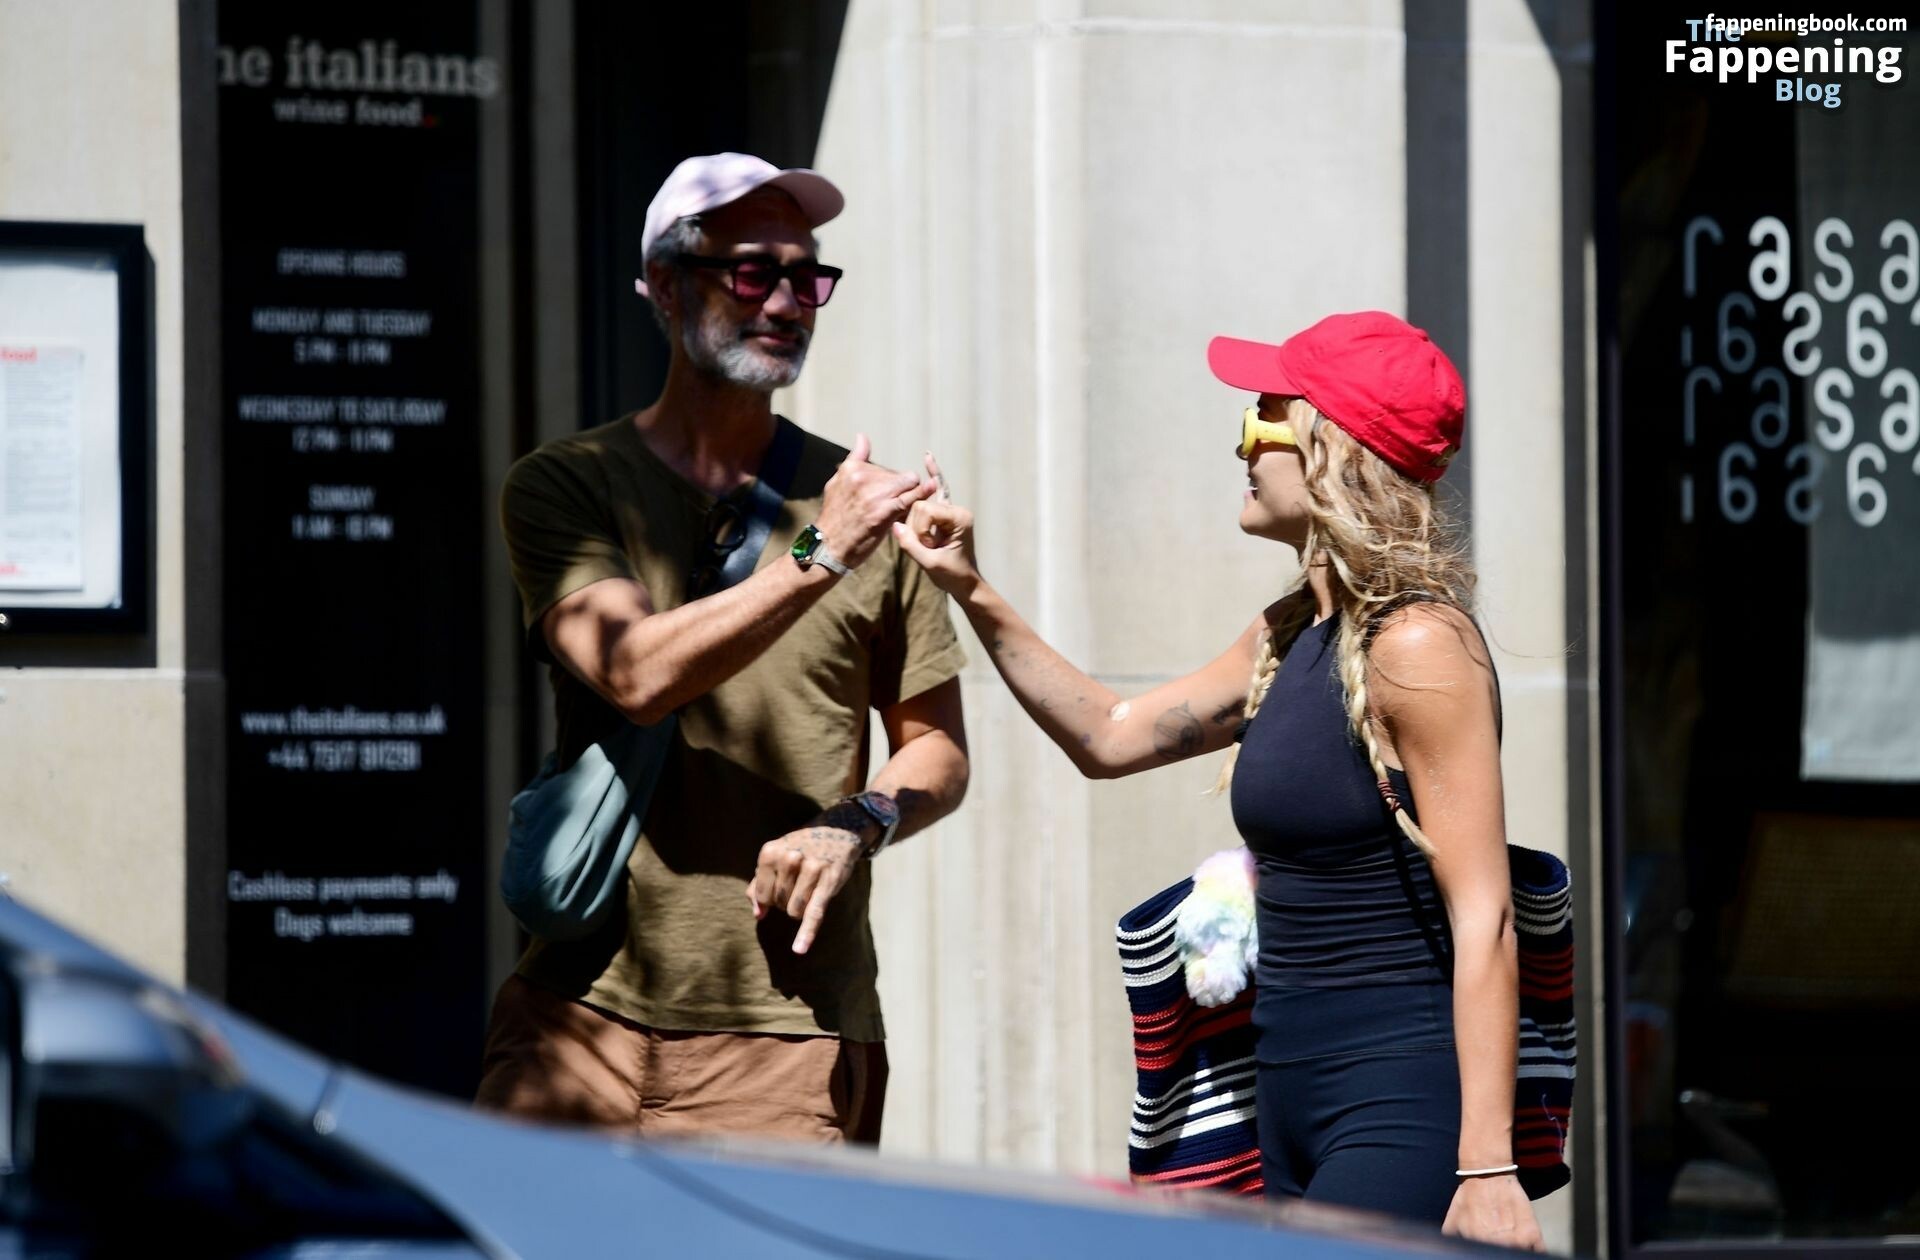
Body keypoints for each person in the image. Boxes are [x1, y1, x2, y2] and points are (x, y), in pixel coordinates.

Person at [892, 311, 1546, 1249]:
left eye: (1263, 415)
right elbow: (1109, 736)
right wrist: (971, 586)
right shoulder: (1289, 633)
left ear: (1331, 444)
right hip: (1284, 1097)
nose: (1242, 441)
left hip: (1399, 1099)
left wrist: (1487, 1166)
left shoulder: (1417, 644)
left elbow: (1486, 914)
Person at [476, 153, 971, 1146]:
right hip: (579, 1014)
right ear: (665, 286)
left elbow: (937, 751)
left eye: (806, 276)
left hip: (789, 1032)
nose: (786, 302)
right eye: (751, 273)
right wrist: (821, 552)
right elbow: (636, 672)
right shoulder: (568, 484)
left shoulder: (870, 503)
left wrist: (860, 819)